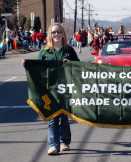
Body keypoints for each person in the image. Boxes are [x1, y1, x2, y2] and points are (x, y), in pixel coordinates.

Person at [38, 23, 80, 155]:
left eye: (58, 32)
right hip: (50, 89)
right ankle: (53, 145)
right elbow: (37, 68)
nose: (56, 34)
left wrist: (71, 64)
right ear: (50, 35)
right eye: (53, 32)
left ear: (63, 34)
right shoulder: (44, 52)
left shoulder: (69, 50)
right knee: (52, 118)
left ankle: (64, 142)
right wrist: (27, 64)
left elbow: (79, 67)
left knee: (64, 117)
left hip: (66, 89)